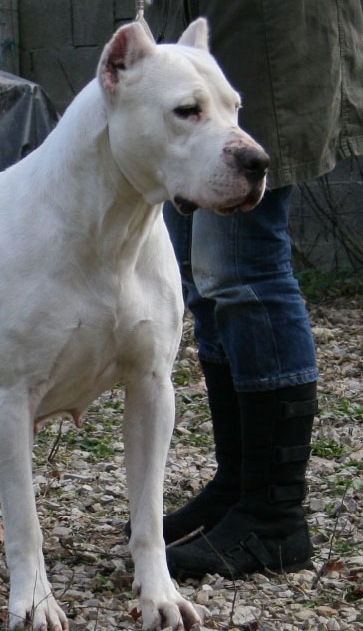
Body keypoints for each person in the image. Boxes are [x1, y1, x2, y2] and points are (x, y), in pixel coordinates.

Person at [141, 0, 363, 578]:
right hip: (207, 24)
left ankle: (273, 516)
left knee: (244, 271)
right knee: (206, 278)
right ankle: (239, 485)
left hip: (267, 28)